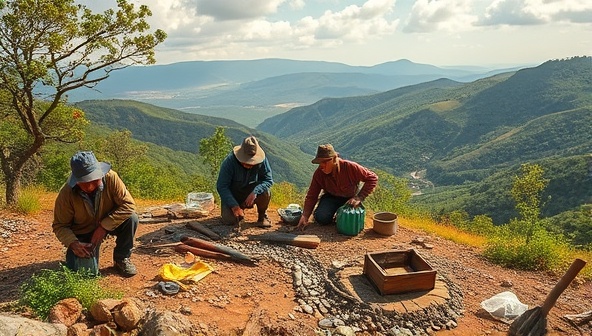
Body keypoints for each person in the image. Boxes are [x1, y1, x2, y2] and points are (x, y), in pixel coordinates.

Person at [52, 151, 138, 277]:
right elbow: (60, 225)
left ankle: (121, 258)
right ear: (76, 180)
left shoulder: (111, 178)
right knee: (85, 274)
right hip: (82, 231)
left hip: (108, 220)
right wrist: (73, 243)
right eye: (84, 182)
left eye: (93, 179)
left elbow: (129, 205)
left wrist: (104, 226)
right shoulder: (67, 193)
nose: (90, 186)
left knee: (132, 219)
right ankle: (78, 256)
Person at [296, 144, 378, 231]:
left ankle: (339, 216)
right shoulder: (319, 174)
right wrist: (305, 216)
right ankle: (334, 215)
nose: (321, 166)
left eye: (325, 162)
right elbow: (312, 195)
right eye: (320, 162)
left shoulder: (350, 167)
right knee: (321, 218)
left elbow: (372, 178)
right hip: (331, 197)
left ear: (334, 159)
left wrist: (359, 197)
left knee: (350, 220)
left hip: (349, 199)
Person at [217, 136, 274, 227]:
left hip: (249, 191)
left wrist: (255, 192)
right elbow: (222, 186)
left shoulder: (262, 161)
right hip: (233, 194)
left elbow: (268, 180)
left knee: (265, 191)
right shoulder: (230, 162)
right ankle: (238, 211)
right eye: (246, 162)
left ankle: (262, 216)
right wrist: (234, 206)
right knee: (230, 221)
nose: (249, 165)